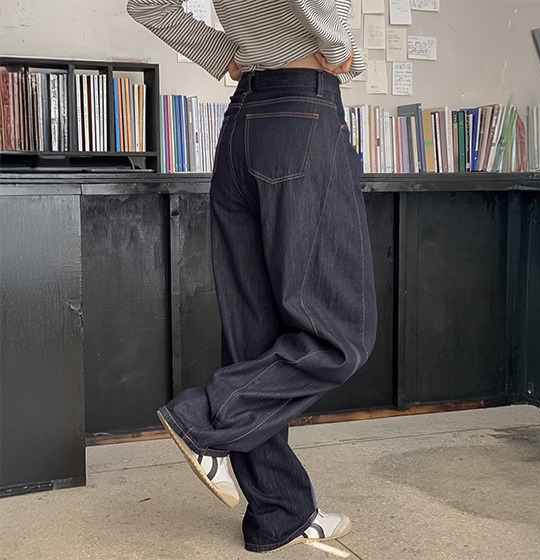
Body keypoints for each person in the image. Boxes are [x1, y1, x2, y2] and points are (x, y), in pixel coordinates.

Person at [126, 0, 377, 553]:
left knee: (252, 335)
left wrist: (226, 54)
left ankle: (279, 512)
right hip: (301, 112)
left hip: (242, 125)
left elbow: (146, 4)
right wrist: (338, 46)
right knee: (342, 334)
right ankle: (205, 416)